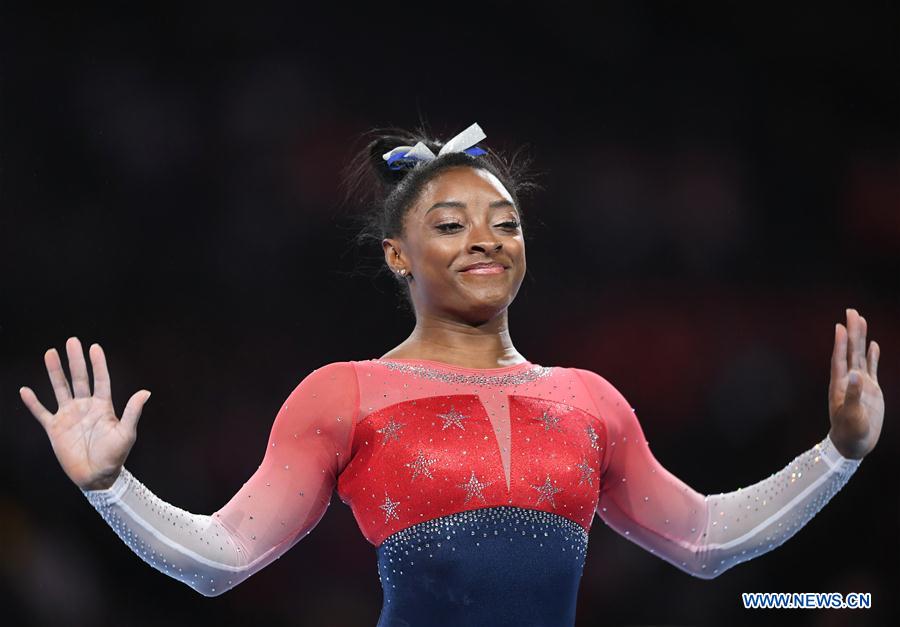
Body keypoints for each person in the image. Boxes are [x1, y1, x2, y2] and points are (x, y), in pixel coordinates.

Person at [19, 122, 885, 627]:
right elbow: (223, 558)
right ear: (400, 254)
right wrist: (110, 488)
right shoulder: (343, 393)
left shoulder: (589, 399)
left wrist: (839, 453)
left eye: (503, 222)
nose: (484, 238)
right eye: (451, 222)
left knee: (827, 605)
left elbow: (704, 541)